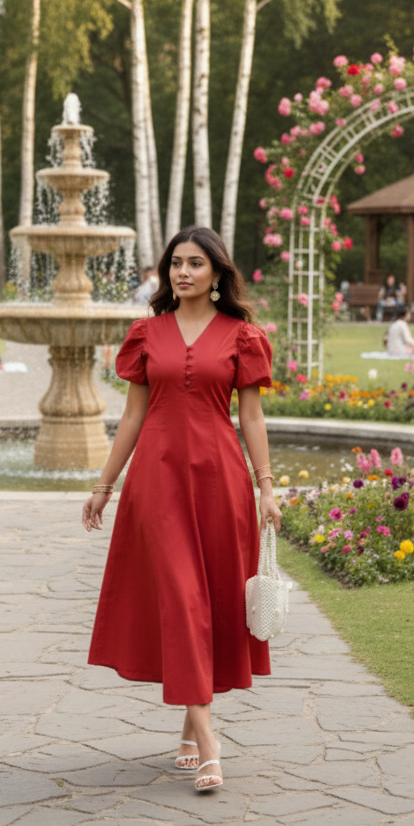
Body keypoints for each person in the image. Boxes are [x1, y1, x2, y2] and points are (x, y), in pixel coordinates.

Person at [83, 226, 280, 794]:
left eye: (195, 263)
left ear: (218, 274)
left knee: (208, 601)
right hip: (157, 484)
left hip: (220, 481)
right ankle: (211, 738)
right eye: (175, 263)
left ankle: (188, 731)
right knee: (180, 597)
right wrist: (104, 485)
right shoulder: (147, 333)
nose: (183, 272)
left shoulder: (242, 336)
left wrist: (266, 487)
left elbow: (253, 418)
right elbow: (131, 418)